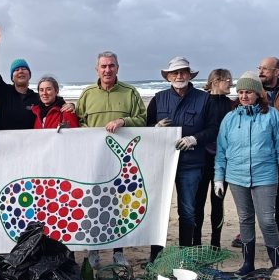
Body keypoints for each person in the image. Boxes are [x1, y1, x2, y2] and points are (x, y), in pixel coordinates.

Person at [214, 71, 279, 275]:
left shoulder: (272, 115)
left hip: (265, 175)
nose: (244, 96)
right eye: (240, 92)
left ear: (258, 93)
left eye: (248, 91)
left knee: (267, 220)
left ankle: (277, 265)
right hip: (236, 176)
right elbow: (221, 150)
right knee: (245, 218)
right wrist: (218, 177)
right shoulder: (230, 118)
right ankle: (248, 264)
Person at [76, 51, 146, 268]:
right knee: (94, 204)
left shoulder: (130, 92)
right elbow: (77, 121)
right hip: (94, 160)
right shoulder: (87, 93)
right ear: (96, 69)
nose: (107, 70)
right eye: (104, 66)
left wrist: (123, 121)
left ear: (117, 68)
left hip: (120, 163)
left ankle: (118, 251)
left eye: (111, 66)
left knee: (119, 207)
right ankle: (94, 251)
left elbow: (143, 120)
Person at [146, 56, 218, 256]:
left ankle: (185, 254)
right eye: (175, 73)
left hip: (191, 164)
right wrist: (154, 128)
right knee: (159, 211)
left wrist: (195, 139)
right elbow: (144, 129)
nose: (179, 76)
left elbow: (214, 129)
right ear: (168, 76)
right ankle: (156, 255)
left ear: (190, 74)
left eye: (183, 72)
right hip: (163, 164)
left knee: (187, 211)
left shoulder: (205, 99)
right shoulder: (158, 98)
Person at [232, 57, 279, 250]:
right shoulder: (253, 91)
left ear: (277, 72)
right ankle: (246, 231)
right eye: (259, 68)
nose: (260, 71)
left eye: (265, 69)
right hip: (254, 155)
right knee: (251, 193)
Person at [193, 69, 234, 248]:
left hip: (223, 160)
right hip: (202, 159)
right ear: (216, 81)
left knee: (218, 202)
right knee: (198, 202)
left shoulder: (232, 105)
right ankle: (196, 243)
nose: (231, 84)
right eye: (228, 80)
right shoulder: (201, 102)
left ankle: (215, 243)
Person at [0, 24, 41, 130]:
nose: (20, 71)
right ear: (12, 77)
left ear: (29, 75)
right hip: (5, 144)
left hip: (30, 144)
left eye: (24, 69)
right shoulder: (3, 93)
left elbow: (54, 100)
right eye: (16, 70)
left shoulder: (37, 98)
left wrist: (69, 105)